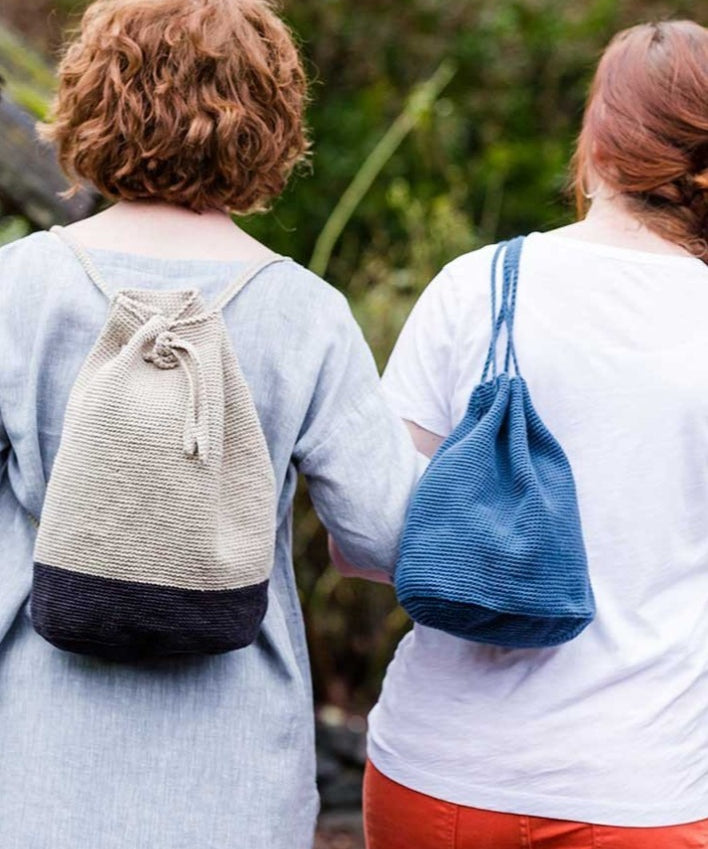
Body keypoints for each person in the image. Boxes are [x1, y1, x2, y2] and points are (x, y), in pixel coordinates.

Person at [0, 1, 418, 847]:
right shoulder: (307, 313)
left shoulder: (16, 285)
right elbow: (382, 534)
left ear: (91, 99)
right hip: (233, 780)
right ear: (267, 121)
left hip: (32, 764)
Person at [357, 20, 708, 849]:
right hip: (638, 787)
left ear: (598, 140)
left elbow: (366, 537)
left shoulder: (474, 283)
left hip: (432, 774)